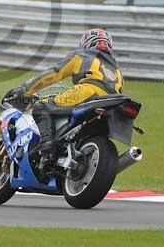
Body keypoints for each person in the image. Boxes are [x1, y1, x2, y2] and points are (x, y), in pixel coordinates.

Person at [7, 28, 124, 171]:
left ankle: (46, 145)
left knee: (41, 106)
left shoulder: (82, 56)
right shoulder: (117, 69)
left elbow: (54, 74)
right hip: (112, 103)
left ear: (86, 43)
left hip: (88, 92)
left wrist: (25, 90)